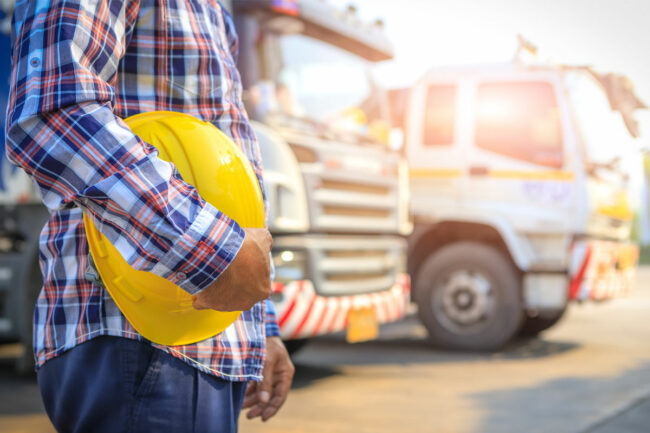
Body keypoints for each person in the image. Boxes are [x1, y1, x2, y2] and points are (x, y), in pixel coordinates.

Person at [5, 1, 294, 432]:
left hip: (198, 331)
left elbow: (228, 157)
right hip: (139, 331)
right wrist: (217, 255)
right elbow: (55, 112)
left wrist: (258, 321)